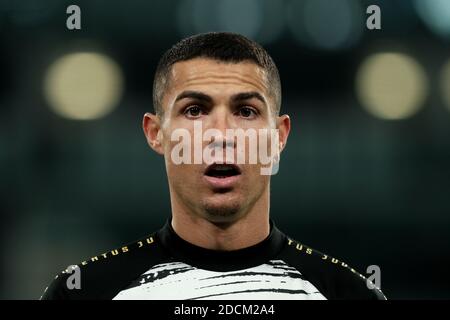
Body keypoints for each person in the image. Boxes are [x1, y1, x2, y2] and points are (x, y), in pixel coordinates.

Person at [41, 32, 386, 300]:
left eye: (246, 111)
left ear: (279, 136)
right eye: (194, 110)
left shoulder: (348, 294)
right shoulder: (83, 293)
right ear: (156, 133)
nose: (221, 134)